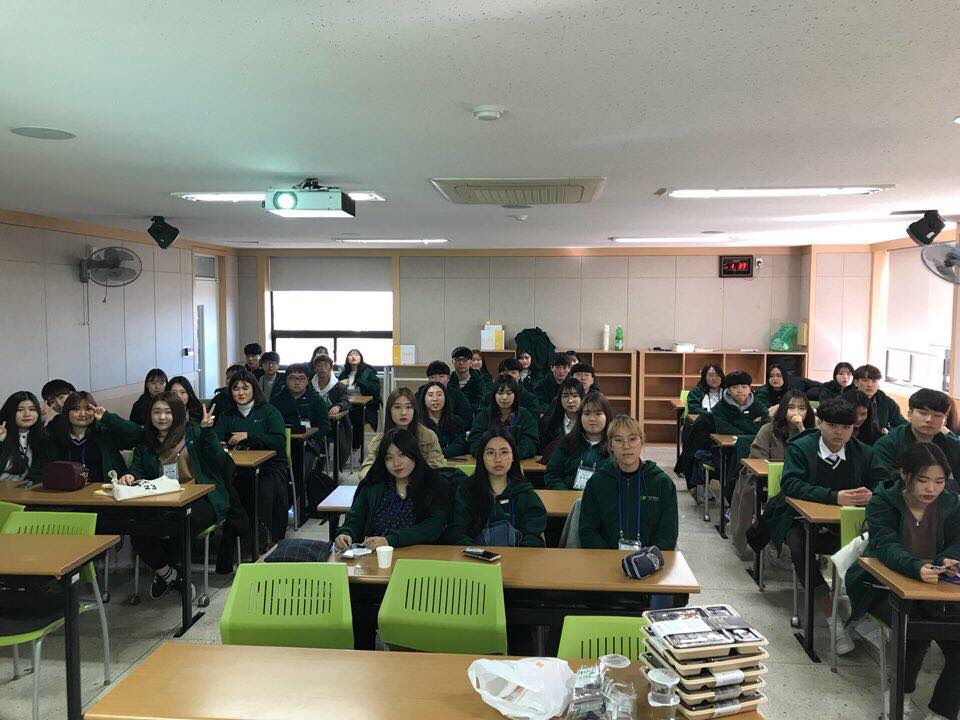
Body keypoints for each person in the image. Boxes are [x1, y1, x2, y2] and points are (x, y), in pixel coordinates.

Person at [845, 443, 960, 720]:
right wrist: (916, 567)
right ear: (905, 475)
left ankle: (942, 712)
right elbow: (886, 546)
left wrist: (947, 559)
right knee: (914, 628)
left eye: (939, 481)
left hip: (935, 588)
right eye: (923, 480)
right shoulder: (883, 500)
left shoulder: (952, 503)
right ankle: (899, 696)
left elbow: (957, 542)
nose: (931, 489)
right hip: (882, 584)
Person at [766, 398, 874, 654]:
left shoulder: (864, 452)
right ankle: (832, 620)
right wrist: (834, 497)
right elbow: (791, 484)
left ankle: (864, 615)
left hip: (848, 524)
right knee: (800, 549)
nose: (839, 433)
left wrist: (872, 494)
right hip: (801, 521)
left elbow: (883, 483)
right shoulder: (801, 447)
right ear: (820, 423)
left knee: (877, 550)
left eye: (846, 427)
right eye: (833, 425)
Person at [101, 395, 229, 599]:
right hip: (160, 499)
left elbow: (219, 460)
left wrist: (207, 431)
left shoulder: (194, 432)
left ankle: (171, 572)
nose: (162, 417)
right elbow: (138, 469)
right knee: (137, 528)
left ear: (177, 414)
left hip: (201, 498)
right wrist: (130, 475)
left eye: (168, 412)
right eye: (157, 412)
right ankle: (170, 574)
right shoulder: (146, 440)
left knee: (180, 524)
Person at [578, 415, 678, 568]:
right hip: (605, 564)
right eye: (618, 440)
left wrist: (647, 562)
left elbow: (667, 535)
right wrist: (609, 560)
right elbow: (588, 530)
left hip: (650, 567)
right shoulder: (597, 482)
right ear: (610, 445)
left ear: (642, 442)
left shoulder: (662, 483)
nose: (626, 446)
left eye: (632, 439)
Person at [729, 391, 815, 559]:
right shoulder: (768, 430)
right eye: (791, 407)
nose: (797, 412)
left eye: (802, 408)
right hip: (768, 481)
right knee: (754, 493)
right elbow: (758, 460)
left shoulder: (812, 432)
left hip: (801, 485)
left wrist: (802, 430)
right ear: (783, 410)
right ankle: (754, 542)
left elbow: (814, 459)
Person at [335, 427, 449, 551]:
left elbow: (434, 527)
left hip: (417, 555)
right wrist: (346, 533)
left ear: (414, 454)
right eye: (389, 458)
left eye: (402, 455)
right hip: (372, 555)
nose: (396, 463)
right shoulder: (373, 485)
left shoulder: (432, 484)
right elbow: (356, 518)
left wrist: (390, 540)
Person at [214, 369, 289, 547]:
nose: (240, 393)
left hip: (270, 466)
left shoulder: (269, 411)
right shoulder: (227, 415)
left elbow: (279, 441)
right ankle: (234, 533)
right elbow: (216, 440)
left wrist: (248, 436)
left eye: (245, 388)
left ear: (254, 389)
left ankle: (264, 532)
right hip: (237, 467)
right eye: (235, 388)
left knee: (264, 486)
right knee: (227, 485)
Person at [445, 430, 547, 547]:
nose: (497, 459)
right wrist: (475, 552)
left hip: (517, 557)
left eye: (504, 452)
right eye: (490, 453)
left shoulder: (526, 494)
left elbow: (533, 537)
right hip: (475, 556)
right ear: (482, 457)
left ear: (513, 456)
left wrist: (517, 554)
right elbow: (458, 531)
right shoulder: (467, 490)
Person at [870, 388, 960, 491]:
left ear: (945, 421)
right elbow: (882, 484)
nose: (929, 420)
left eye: (937, 415)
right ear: (910, 415)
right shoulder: (888, 444)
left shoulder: (952, 445)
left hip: (943, 497)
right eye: (923, 413)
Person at [50, 391, 138, 483]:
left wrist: (107, 417)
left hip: (106, 487)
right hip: (68, 488)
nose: (82, 414)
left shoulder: (104, 432)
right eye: (76, 409)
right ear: (67, 412)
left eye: (88, 409)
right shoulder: (57, 436)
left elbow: (136, 435)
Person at [359, 387, 444, 480]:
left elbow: (437, 468)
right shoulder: (378, 441)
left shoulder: (428, 437)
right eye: (397, 407)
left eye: (408, 407)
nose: (403, 413)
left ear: (414, 410)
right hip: (388, 485)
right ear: (389, 411)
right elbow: (365, 471)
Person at [544, 392, 612, 490]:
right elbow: (552, 474)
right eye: (587, 414)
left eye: (598, 414)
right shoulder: (567, 443)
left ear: (607, 416)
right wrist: (564, 493)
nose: (592, 419)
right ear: (580, 417)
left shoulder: (615, 446)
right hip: (568, 496)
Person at [468, 374, 539, 460]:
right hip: (489, 461)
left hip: (517, 461)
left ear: (515, 395)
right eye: (500, 393)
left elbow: (530, 443)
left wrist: (509, 455)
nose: (504, 397)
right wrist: (492, 455)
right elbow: (474, 441)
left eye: (509, 393)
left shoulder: (525, 416)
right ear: (494, 395)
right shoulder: (484, 415)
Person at [0, 391, 54, 482]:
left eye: (32, 409)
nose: (27, 414)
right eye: (20, 410)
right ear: (10, 412)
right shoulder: (2, 433)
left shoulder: (42, 438)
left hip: (25, 489)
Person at [310, 353, 352, 469]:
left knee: (328, 432)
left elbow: (345, 401)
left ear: (331, 367)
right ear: (315, 368)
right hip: (313, 423)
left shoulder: (338, 386)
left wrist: (338, 406)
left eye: (325, 365)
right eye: (319, 365)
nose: (322, 368)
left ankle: (329, 465)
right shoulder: (310, 385)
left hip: (334, 424)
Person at [339, 348, 382, 458]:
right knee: (340, 418)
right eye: (350, 355)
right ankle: (343, 447)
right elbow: (336, 391)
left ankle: (355, 446)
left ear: (361, 358)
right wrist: (340, 384)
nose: (353, 357)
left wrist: (360, 381)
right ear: (347, 359)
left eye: (356, 355)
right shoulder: (344, 373)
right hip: (346, 404)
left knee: (356, 415)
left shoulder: (368, 372)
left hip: (366, 406)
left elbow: (375, 390)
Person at [270, 363, 331, 435]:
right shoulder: (276, 400)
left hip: (310, 439)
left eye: (302, 378)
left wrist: (311, 434)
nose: (297, 382)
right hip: (283, 438)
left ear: (307, 380)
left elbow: (325, 426)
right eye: (292, 378)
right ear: (286, 380)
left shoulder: (316, 400)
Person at [414, 360, 474, 427]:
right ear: (428, 379)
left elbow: (467, 419)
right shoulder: (420, 395)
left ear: (448, 378)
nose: (437, 380)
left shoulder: (458, 395)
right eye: (433, 377)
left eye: (441, 376)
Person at [850, 364, 906, 434]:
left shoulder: (886, 401)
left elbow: (902, 424)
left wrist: (888, 431)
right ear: (856, 382)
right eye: (865, 380)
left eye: (874, 381)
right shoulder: (845, 399)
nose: (870, 385)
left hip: (879, 439)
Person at [418, 381, 468, 458]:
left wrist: (438, 453)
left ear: (445, 398)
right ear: (424, 400)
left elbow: (460, 445)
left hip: (450, 461)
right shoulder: (418, 422)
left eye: (439, 394)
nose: (435, 399)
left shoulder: (455, 420)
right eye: (430, 395)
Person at [711, 371, 768, 435]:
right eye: (735, 387)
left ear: (749, 389)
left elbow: (765, 427)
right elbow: (724, 429)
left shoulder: (758, 405)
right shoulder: (719, 408)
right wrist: (751, 425)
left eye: (744, 387)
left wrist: (736, 422)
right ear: (729, 391)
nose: (740, 391)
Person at [538, 377, 585, 452]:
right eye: (565, 396)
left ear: (582, 398)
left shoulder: (587, 422)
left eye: (575, 396)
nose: (570, 401)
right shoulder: (549, 424)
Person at [451, 346, 487, 410]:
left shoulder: (479, 381)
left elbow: (481, 404)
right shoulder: (449, 382)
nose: (461, 363)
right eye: (457, 359)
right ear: (452, 362)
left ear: (470, 362)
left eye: (465, 360)